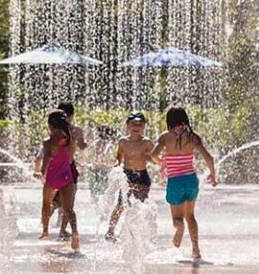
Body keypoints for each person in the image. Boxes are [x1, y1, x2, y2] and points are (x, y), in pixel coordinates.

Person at [152, 106, 217, 261]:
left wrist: (162, 162)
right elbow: (209, 158)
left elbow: (153, 155)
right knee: (190, 216)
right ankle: (196, 250)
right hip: (191, 180)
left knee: (177, 219)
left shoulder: (165, 137)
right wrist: (213, 176)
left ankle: (179, 229)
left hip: (175, 180)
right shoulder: (193, 137)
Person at [106, 112, 156, 241]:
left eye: (140, 124)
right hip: (127, 176)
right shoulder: (123, 141)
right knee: (121, 204)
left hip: (142, 177)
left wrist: (149, 158)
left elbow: (156, 159)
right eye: (134, 124)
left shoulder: (147, 143)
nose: (137, 127)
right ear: (127, 125)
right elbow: (119, 159)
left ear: (144, 126)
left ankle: (140, 235)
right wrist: (115, 169)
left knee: (141, 206)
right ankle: (110, 231)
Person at [35, 109, 80, 251]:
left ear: (50, 125)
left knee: (46, 204)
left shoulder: (48, 142)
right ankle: (74, 233)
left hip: (52, 178)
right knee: (69, 209)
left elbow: (47, 159)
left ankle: (45, 231)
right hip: (67, 177)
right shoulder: (71, 140)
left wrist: (42, 172)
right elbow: (71, 158)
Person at [54, 101, 87, 240]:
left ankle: (56, 229)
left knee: (59, 201)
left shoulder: (55, 131)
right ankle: (61, 229)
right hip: (66, 168)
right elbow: (82, 146)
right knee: (65, 202)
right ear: (72, 115)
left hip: (59, 168)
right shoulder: (72, 130)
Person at [88, 125, 116, 201]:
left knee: (94, 193)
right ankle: (105, 209)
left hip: (94, 169)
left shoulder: (95, 143)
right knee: (107, 192)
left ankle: (95, 207)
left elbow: (90, 155)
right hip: (106, 170)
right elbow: (113, 158)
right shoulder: (110, 144)